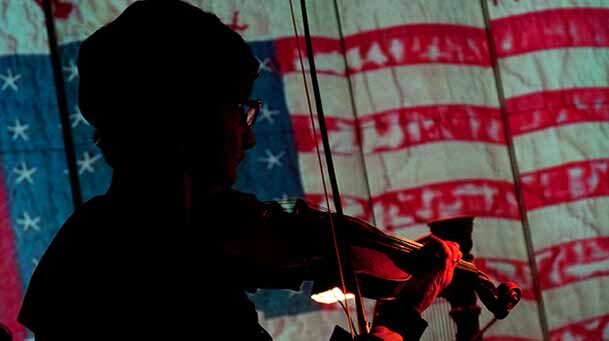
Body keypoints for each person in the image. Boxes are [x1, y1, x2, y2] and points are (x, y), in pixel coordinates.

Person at [18, 1, 461, 340]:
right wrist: (402, 315)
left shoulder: (84, 240)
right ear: (189, 123)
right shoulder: (169, 272)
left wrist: (395, 261)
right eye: (239, 111)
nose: (249, 137)